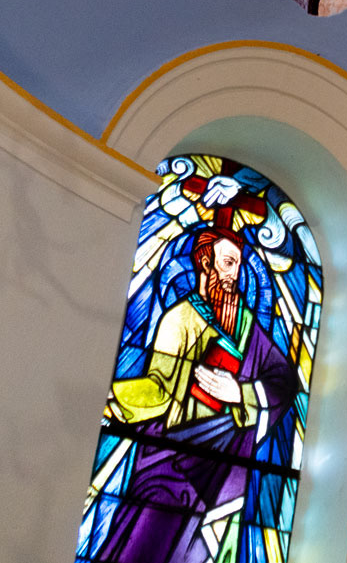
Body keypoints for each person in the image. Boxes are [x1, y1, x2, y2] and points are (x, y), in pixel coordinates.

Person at [87, 227, 301, 563]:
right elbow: (158, 388)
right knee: (145, 545)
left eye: (238, 265)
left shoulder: (246, 327)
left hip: (225, 465)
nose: (235, 275)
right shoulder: (180, 319)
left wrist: (240, 392)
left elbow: (284, 381)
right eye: (228, 263)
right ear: (205, 264)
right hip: (171, 463)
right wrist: (109, 399)